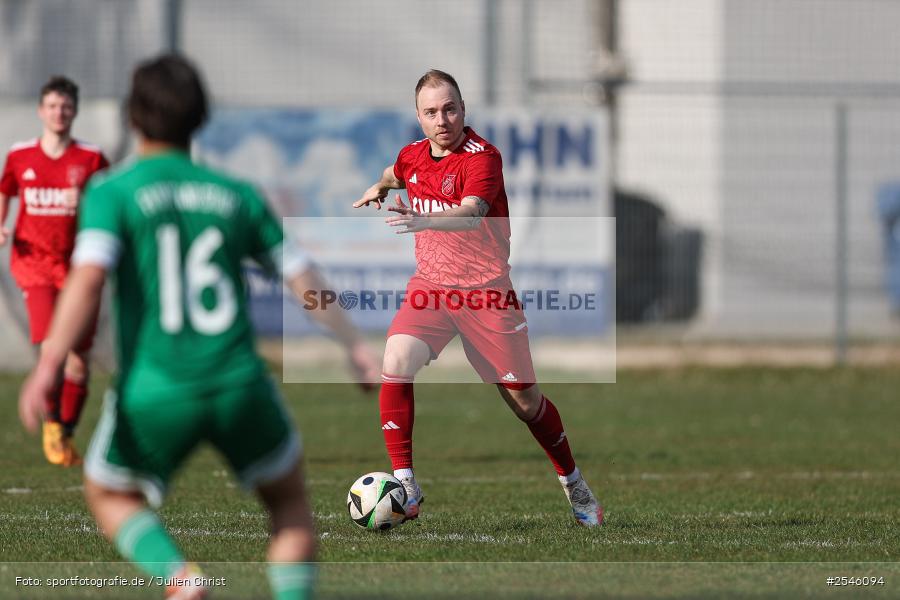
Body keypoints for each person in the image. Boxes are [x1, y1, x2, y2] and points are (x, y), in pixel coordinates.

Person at [19, 54, 379, 600]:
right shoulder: (235, 194)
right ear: (201, 116)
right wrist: (354, 344)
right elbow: (301, 276)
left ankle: (180, 579)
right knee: (287, 503)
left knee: (109, 494)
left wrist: (49, 363)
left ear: (132, 118)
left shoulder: (113, 192)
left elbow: (87, 280)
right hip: (238, 383)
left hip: (154, 390)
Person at [353, 70, 604, 527]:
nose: (442, 119)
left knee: (526, 404)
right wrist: (380, 185)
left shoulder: (483, 157)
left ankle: (573, 481)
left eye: (449, 108)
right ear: (419, 117)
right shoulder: (412, 156)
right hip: (431, 289)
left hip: (486, 294)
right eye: (431, 112)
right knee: (395, 358)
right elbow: (396, 172)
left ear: (463, 109)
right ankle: (405, 482)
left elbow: (472, 215)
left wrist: (425, 221)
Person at [0, 76, 109, 467]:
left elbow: (106, 200)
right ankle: (52, 427)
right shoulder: (20, 156)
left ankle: (63, 431)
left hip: (79, 267)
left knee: (79, 361)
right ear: (40, 111)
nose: (58, 113)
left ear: (74, 111)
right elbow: (5, 191)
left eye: (65, 107)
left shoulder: (91, 159)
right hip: (34, 265)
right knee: (52, 349)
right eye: (51, 106)